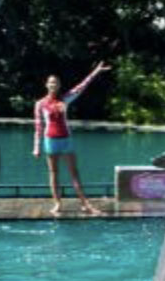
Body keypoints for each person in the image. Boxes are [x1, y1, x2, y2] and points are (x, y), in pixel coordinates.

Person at [34, 61, 110, 216]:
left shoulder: (65, 99)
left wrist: (96, 71)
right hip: (51, 141)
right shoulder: (40, 104)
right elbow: (38, 127)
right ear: (46, 85)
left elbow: (82, 86)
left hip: (66, 140)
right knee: (53, 173)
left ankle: (85, 203)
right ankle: (57, 203)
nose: (53, 85)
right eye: (50, 82)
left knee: (74, 172)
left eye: (55, 82)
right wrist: (36, 147)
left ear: (59, 85)